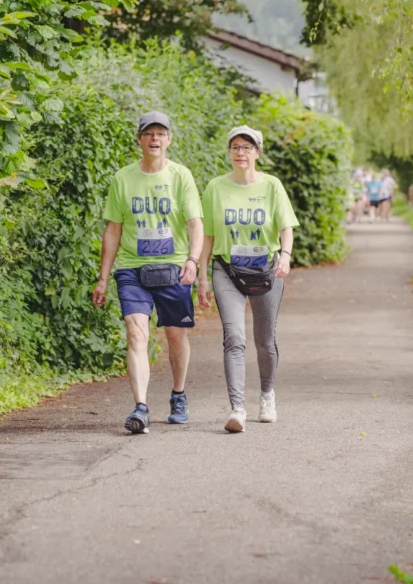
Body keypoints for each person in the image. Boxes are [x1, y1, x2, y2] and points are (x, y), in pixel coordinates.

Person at [92, 111, 204, 434]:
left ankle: (178, 394)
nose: (154, 139)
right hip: (132, 269)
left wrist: (193, 261)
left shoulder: (181, 177)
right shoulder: (123, 179)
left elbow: (195, 224)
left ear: (169, 140)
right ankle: (141, 407)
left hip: (173, 268)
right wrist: (103, 277)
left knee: (175, 336)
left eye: (160, 134)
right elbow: (113, 230)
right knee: (136, 333)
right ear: (140, 139)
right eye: (148, 134)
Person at [197, 126, 299, 433]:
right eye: (235, 148)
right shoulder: (215, 187)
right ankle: (237, 408)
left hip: (266, 271)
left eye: (247, 147)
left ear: (258, 152)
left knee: (264, 341)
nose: (240, 153)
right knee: (234, 337)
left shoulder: (272, 186)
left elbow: (286, 226)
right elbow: (208, 235)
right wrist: (201, 276)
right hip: (226, 269)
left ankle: (267, 395)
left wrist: (285, 254)